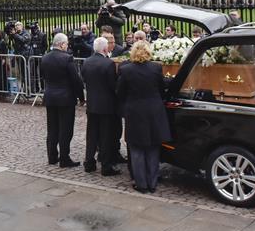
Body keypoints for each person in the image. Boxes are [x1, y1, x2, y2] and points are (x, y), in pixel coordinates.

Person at [117, 40, 171, 193]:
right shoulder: (156, 68)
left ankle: (141, 183)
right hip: (154, 110)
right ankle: (152, 182)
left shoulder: (126, 70)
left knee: (137, 149)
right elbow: (162, 88)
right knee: (153, 148)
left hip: (135, 111)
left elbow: (120, 92)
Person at [40, 33, 84, 168]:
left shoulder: (45, 58)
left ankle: (52, 156)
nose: (67, 46)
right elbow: (76, 80)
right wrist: (81, 97)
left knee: (52, 128)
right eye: (66, 44)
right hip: (65, 98)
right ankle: (64, 158)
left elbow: (42, 75)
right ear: (61, 44)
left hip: (50, 96)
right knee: (65, 129)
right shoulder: (67, 58)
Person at [81, 37, 120, 176]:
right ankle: (106, 166)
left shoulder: (86, 62)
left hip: (92, 104)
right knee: (105, 136)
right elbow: (112, 86)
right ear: (105, 49)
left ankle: (89, 162)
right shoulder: (108, 63)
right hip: (106, 105)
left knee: (91, 135)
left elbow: (84, 79)